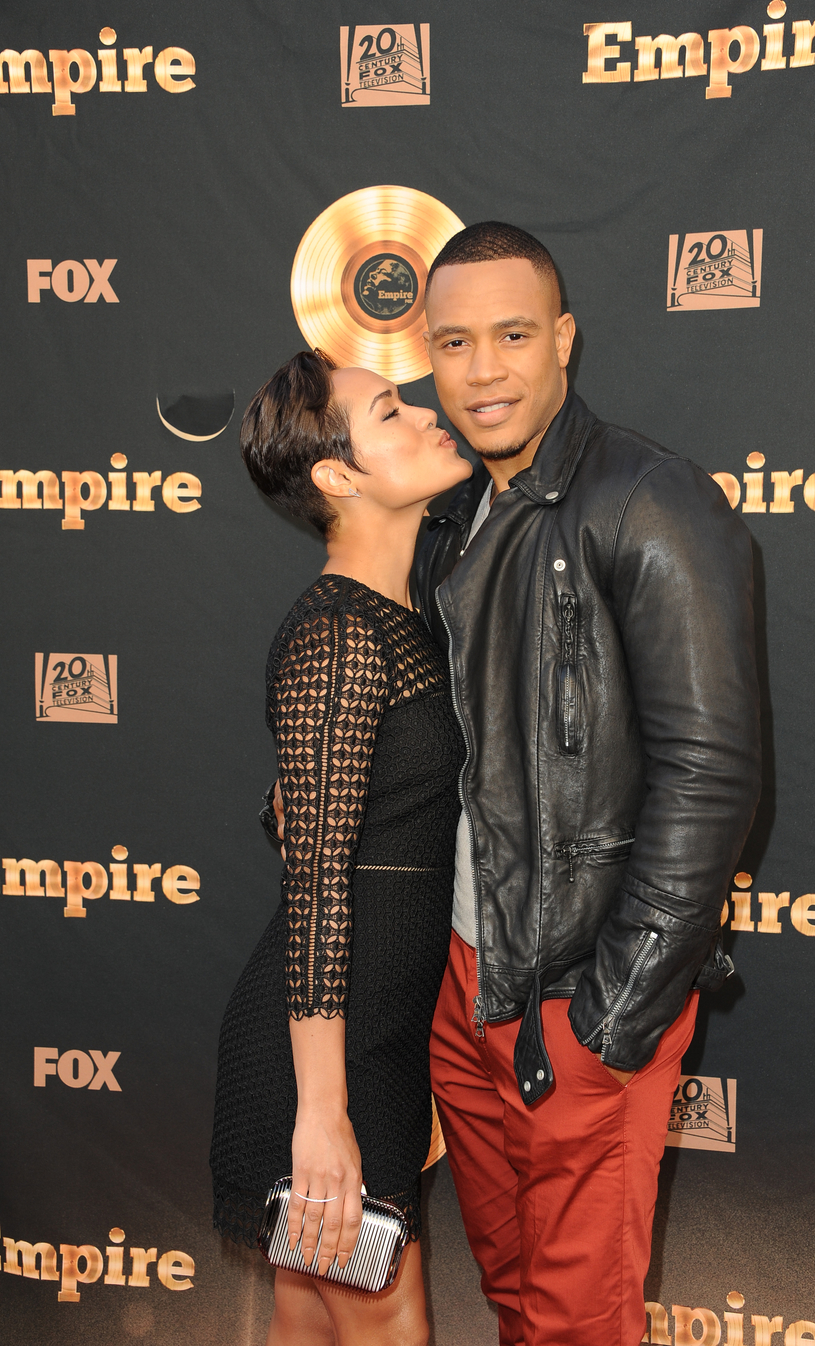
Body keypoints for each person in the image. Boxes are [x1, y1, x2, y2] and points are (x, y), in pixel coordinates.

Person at [414, 223, 762, 1346]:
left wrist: (610, 1017)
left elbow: (710, 774)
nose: (482, 370)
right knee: (513, 1296)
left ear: (563, 338)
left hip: (577, 994)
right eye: (455, 342)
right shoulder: (448, 513)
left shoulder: (650, 498)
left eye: (512, 335)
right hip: (466, 980)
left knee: (576, 1321)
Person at [209, 349, 471, 1346]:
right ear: (335, 475)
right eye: (390, 413)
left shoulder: (402, 614)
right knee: (384, 1317)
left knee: (309, 1316)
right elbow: (317, 883)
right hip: (326, 1052)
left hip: (377, 1034)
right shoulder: (340, 634)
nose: (427, 415)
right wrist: (322, 1111)